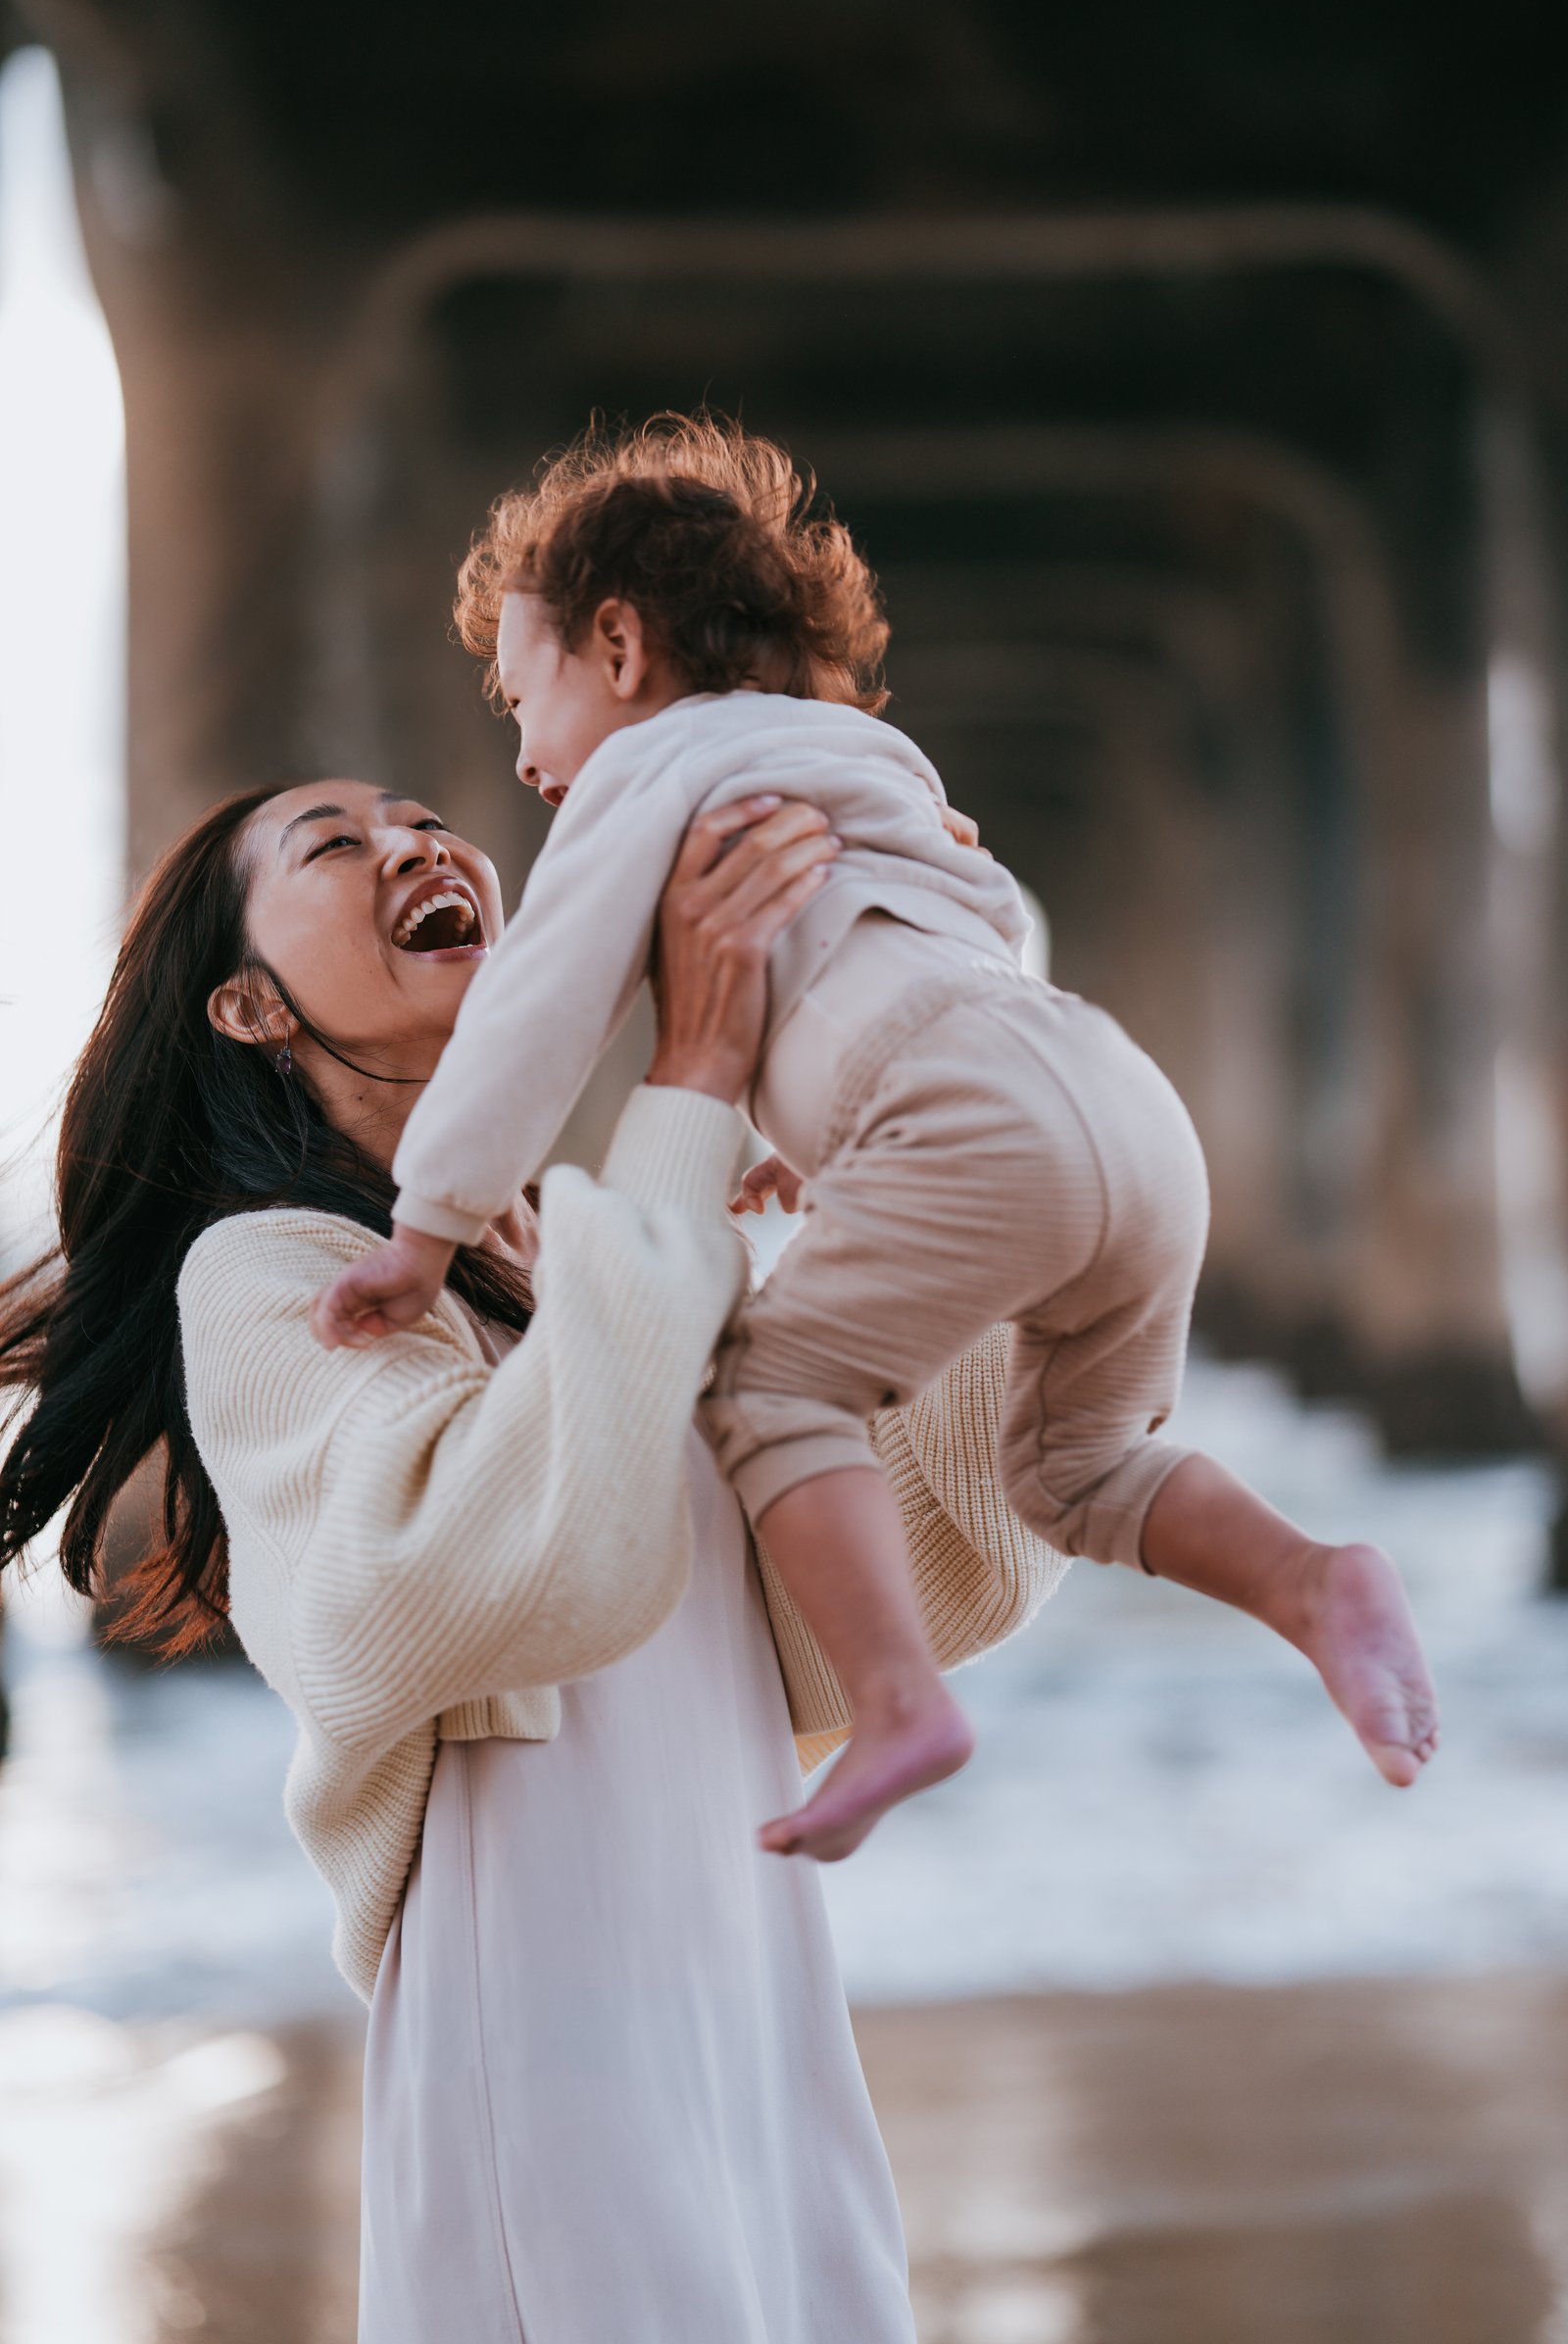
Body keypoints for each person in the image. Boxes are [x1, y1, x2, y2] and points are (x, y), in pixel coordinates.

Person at [0, 775, 1064, 2342]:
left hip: (744, 1957)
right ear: (246, 1006)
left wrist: (945, 1049)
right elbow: (473, 1573)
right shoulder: (270, 1270)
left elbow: (890, 1576)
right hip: (549, 1994)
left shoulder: (579, 1251)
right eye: (338, 844)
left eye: (427, 818)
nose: (418, 845)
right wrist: (693, 1079)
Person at [314, 413, 1442, 1863]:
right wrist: (838, 1135)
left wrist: (427, 1230)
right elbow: (974, 927)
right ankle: (1311, 1578)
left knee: (769, 1397)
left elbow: (540, 1011)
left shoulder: (647, 778)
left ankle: (896, 1703)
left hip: (974, 1118)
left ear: (616, 646)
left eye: (517, 692)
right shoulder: (872, 763)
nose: (524, 753)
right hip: (1117, 1101)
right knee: (1074, 1472)